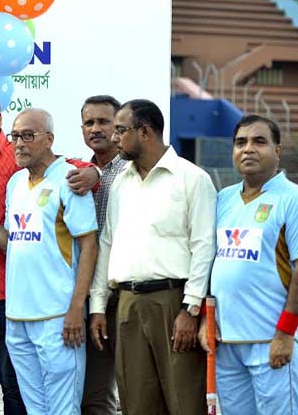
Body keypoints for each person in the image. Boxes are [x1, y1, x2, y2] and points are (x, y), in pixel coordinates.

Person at [0, 87, 98, 415]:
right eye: (16, 136)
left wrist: (75, 309)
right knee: (32, 406)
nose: (20, 143)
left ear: (49, 138)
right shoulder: (16, 183)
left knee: (62, 407)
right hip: (17, 315)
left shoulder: (69, 179)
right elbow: (10, 242)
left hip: (57, 315)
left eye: (28, 136)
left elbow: (88, 244)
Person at [89, 99, 216, 415]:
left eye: (121, 130)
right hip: (127, 306)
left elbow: (204, 247)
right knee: (136, 403)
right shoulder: (122, 182)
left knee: (184, 400)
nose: (115, 137)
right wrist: (98, 306)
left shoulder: (192, 178)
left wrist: (191, 308)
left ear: (144, 132)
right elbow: (108, 244)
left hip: (173, 304)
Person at [199, 115, 298, 414]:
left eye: (259, 142)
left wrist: (285, 334)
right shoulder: (223, 199)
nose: (248, 149)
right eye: (241, 143)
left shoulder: (294, 200)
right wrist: (205, 320)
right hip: (226, 343)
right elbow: (210, 265)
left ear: (277, 150)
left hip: (270, 341)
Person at [79, 95, 126, 415]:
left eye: (103, 122)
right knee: (93, 394)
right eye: (88, 122)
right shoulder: (79, 173)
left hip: (126, 296)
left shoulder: (133, 171)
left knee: (137, 388)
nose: (96, 129)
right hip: (91, 298)